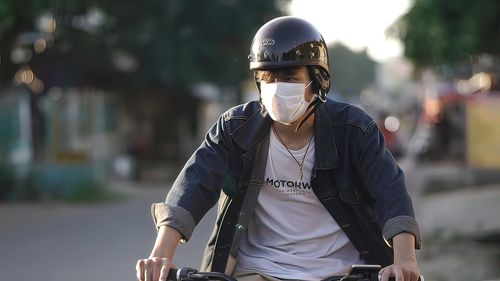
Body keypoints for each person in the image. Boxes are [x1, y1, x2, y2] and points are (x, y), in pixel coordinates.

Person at [136, 16, 422, 281]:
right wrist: (160, 256)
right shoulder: (234, 128)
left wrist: (405, 260)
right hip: (256, 272)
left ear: (317, 79)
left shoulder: (353, 129)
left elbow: (390, 191)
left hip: (340, 273)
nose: (277, 86)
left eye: (289, 77)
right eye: (267, 77)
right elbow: (194, 184)